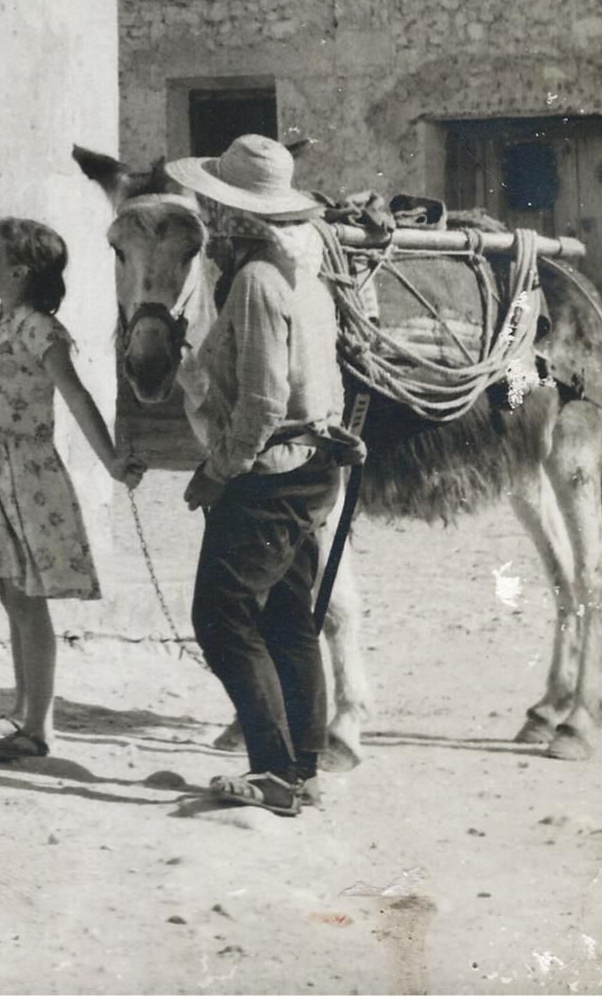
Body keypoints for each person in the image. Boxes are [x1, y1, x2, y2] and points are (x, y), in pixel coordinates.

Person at [0, 217, 141, 761]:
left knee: (28, 597)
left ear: (19, 271)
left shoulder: (39, 329)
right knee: (10, 591)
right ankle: (20, 709)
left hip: (22, 479)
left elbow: (77, 396)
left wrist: (111, 459)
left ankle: (38, 726)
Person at [166, 134, 347, 817]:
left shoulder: (253, 282)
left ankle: (273, 772)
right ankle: (305, 765)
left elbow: (264, 403)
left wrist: (218, 471)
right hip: (306, 468)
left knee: (221, 617)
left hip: (267, 477)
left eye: (214, 207)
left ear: (234, 216)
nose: (208, 222)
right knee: (288, 619)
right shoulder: (296, 275)